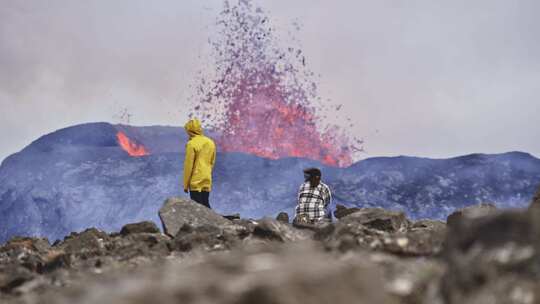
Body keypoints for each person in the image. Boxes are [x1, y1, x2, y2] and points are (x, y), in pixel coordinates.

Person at [183, 119, 216, 208]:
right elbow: (212, 161)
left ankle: (215, 221)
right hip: (207, 177)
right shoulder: (210, 142)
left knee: (197, 208)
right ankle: (217, 220)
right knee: (205, 204)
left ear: (189, 130)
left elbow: (188, 166)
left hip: (196, 180)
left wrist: (186, 185)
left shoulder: (191, 144)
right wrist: (207, 172)